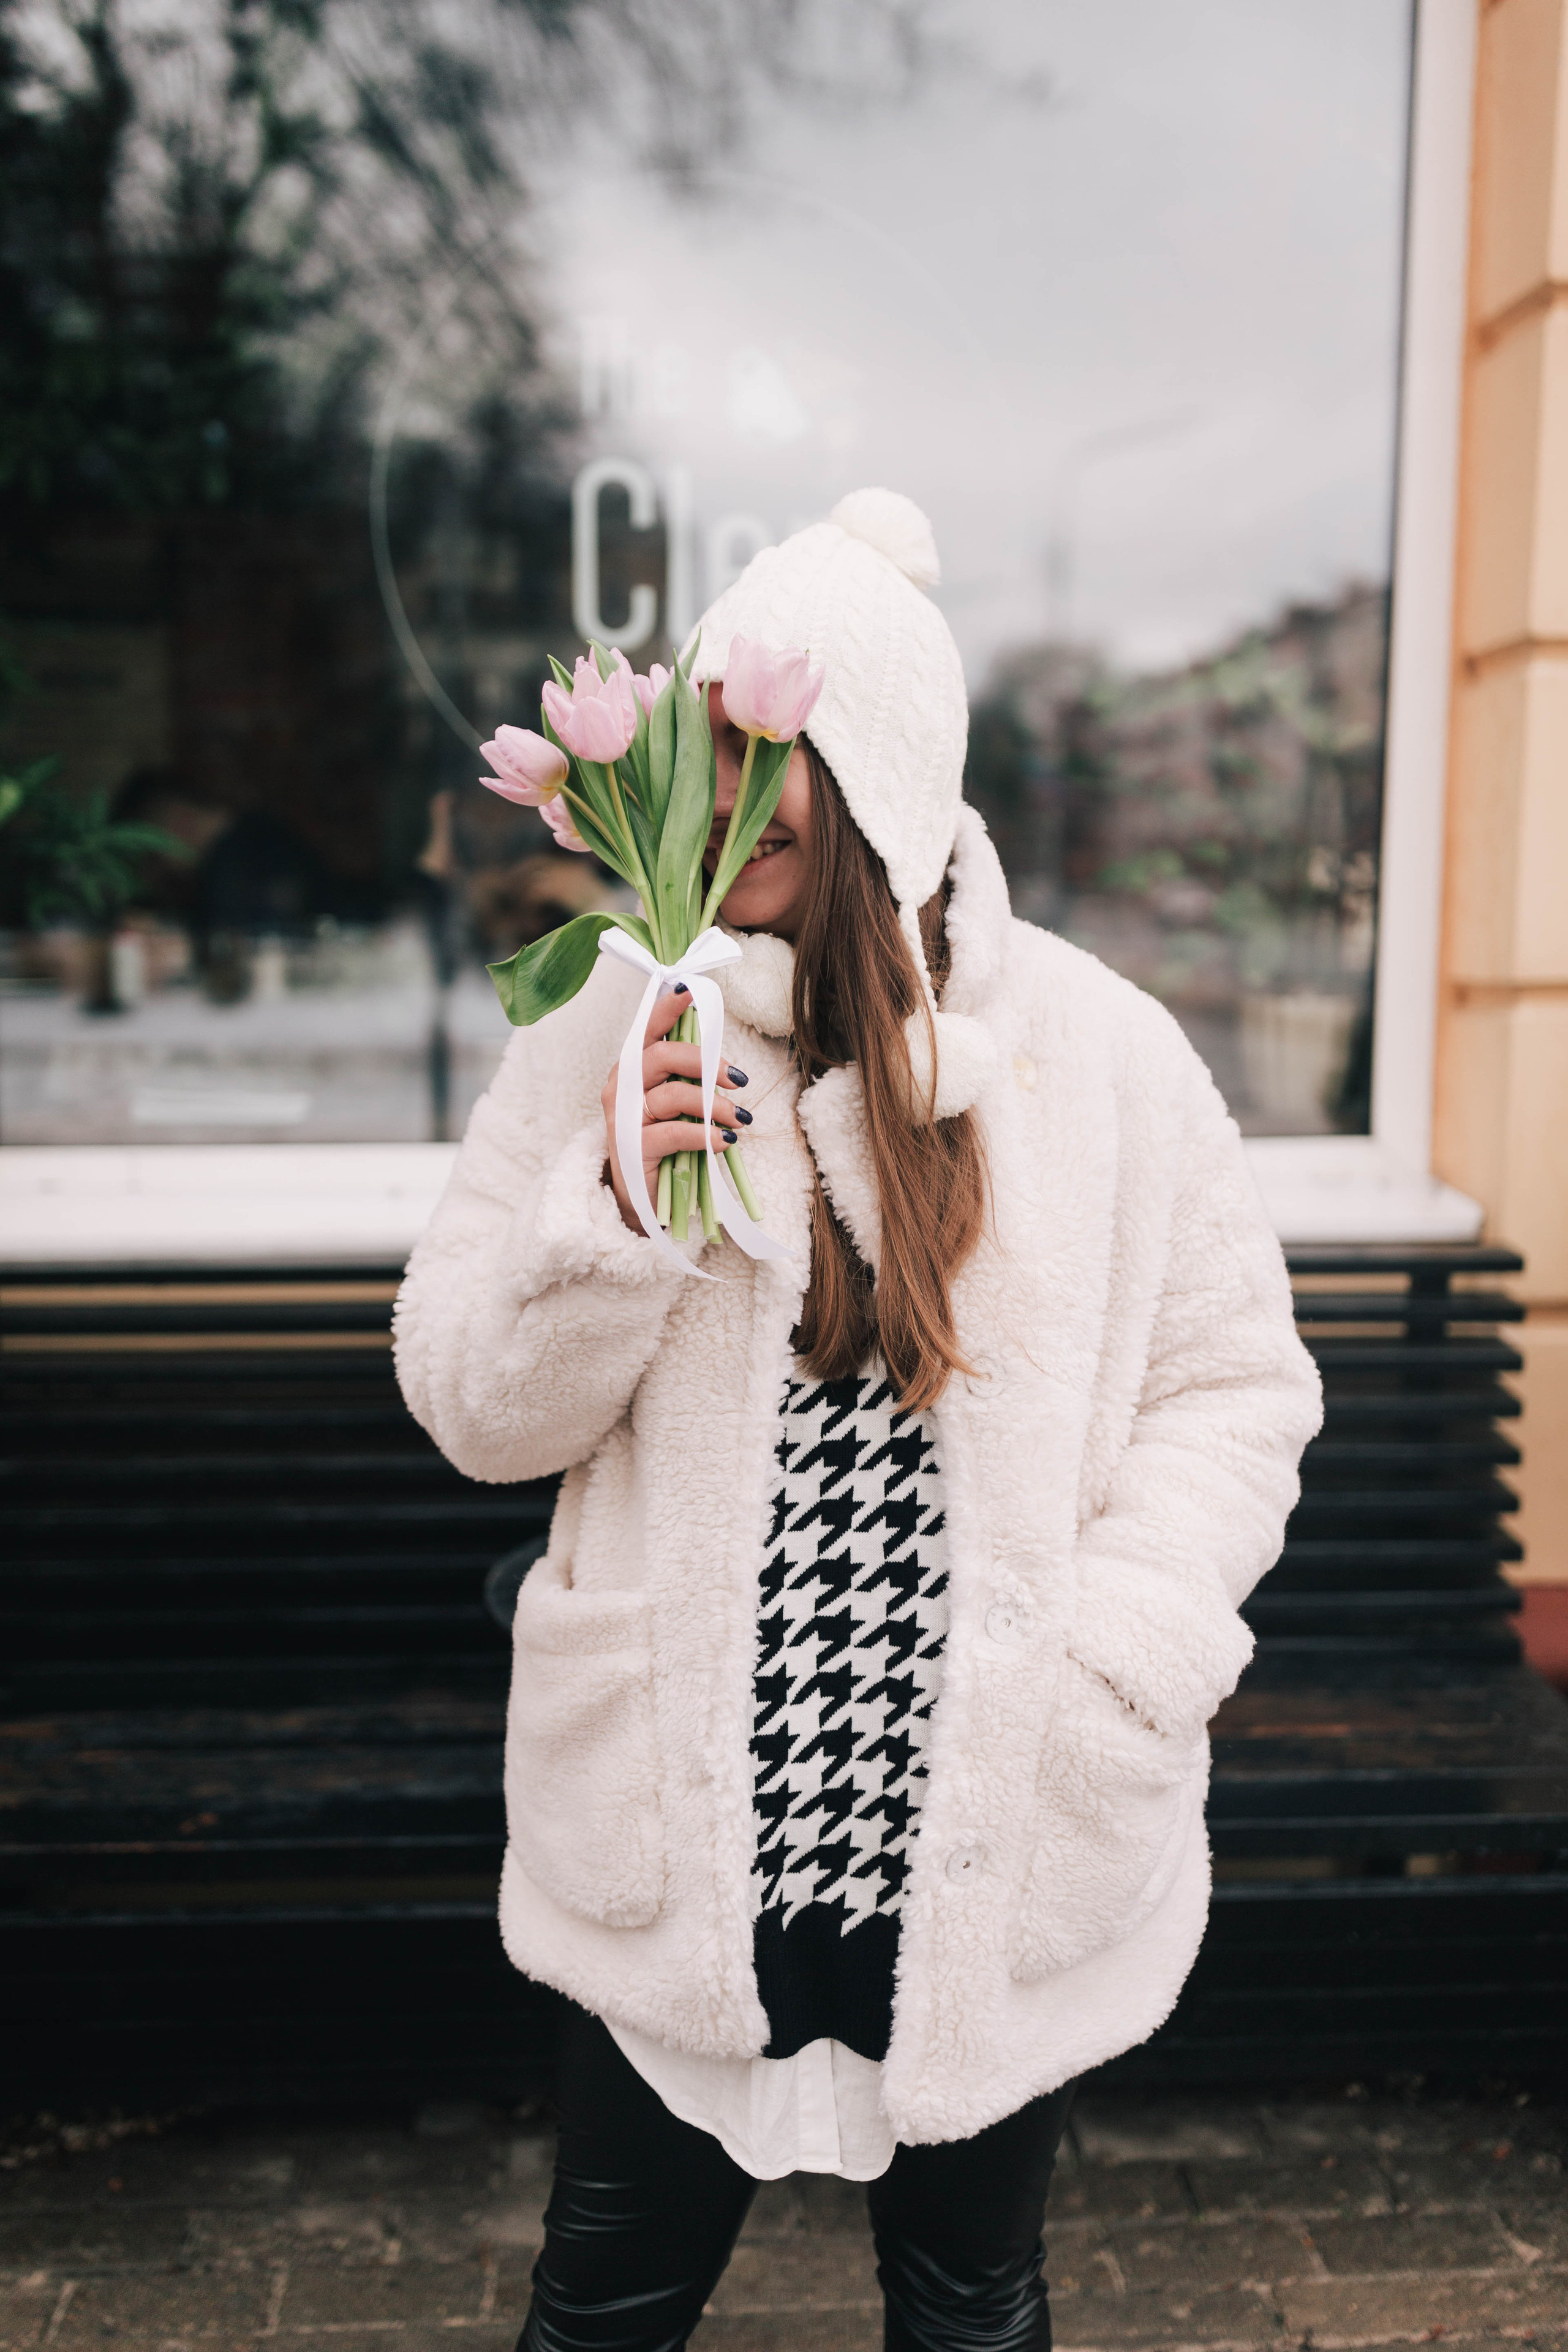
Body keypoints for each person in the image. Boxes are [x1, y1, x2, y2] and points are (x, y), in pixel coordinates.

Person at [393, 488, 1322, 2351]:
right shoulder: (604, 1029)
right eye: (698, 753)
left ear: (873, 775)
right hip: (683, 1839)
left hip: (997, 1816)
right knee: (607, 2301)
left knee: (973, 2305)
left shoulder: (1103, 1058)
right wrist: (611, 1216)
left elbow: (1235, 1384)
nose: (714, 797)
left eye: (761, 756)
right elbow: (475, 1409)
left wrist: (1118, 1656)